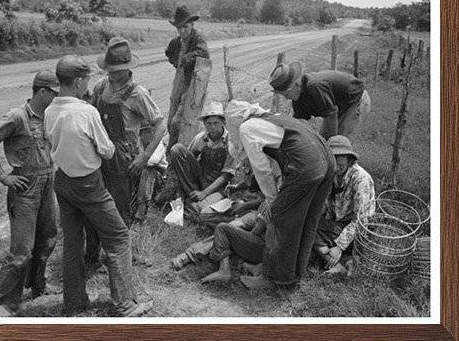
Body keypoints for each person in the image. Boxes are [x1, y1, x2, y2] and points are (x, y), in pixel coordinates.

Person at [44, 54, 151, 317]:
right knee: (118, 236)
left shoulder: (49, 110)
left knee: (72, 243)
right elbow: (106, 150)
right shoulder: (86, 111)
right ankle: (124, 303)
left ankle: (75, 302)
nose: (88, 85)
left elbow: (51, 145)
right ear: (79, 81)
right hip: (89, 184)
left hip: (63, 182)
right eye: (86, 80)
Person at [225, 99, 336, 290]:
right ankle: (296, 273)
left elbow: (262, 168)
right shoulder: (273, 118)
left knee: (280, 219)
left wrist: (273, 198)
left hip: (306, 166)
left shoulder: (246, 128)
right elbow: (285, 153)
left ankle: (271, 278)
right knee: (307, 221)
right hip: (326, 159)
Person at [0, 69, 60, 317]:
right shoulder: (17, 116)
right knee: (21, 250)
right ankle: (1, 302)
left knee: (48, 238)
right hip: (26, 189)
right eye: (53, 93)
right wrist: (3, 176)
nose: (56, 98)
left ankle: (37, 285)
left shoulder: (48, 116)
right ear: (42, 91)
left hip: (48, 183)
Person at [89, 37, 166, 226]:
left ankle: (122, 245)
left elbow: (161, 124)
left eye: (115, 70)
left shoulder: (138, 94)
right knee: (99, 202)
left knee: (121, 206)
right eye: (109, 69)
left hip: (123, 158)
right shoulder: (101, 86)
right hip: (99, 152)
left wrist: (145, 156)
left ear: (127, 67)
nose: (111, 73)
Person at [315, 135, 377, 275]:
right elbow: (326, 206)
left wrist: (339, 246)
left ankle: (336, 259)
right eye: (332, 157)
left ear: (349, 159)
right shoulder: (331, 174)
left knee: (312, 231)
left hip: (358, 232)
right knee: (307, 227)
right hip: (337, 224)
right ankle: (337, 262)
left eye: (339, 157)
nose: (336, 162)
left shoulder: (361, 179)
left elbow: (361, 220)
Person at [161, 101, 236, 216]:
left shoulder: (230, 142)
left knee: (202, 210)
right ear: (205, 124)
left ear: (223, 122)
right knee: (177, 149)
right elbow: (187, 160)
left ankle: (190, 201)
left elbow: (226, 175)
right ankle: (187, 195)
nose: (212, 127)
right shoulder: (200, 138)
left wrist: (205, 193)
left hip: (219, 185)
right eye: (209, 123)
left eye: (216, 123)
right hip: (200, 178)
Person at [269, 63, 371, 139]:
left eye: (286, 94)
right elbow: (299, 122)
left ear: (296, 85)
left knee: (339, 144)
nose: (286, 98)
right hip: (337, 107)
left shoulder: (315, 87)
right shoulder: (298, 96)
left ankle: (346, 166)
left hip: (355, 101)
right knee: (323, 141)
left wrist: (329, 144)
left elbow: (331, 117)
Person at [165, 4, 211, 148]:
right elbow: (168, 52)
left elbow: (204, 53)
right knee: (171, 116)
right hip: (179, 79)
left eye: (185, 27)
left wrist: (186, 59)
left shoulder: (198, 38)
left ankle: (176, 150)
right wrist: (176, 63)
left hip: (193, 81)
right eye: (179, 28)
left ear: (191, 24)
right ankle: (175, 147)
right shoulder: (176, 41)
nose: (182, 31)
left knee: (181, 121)